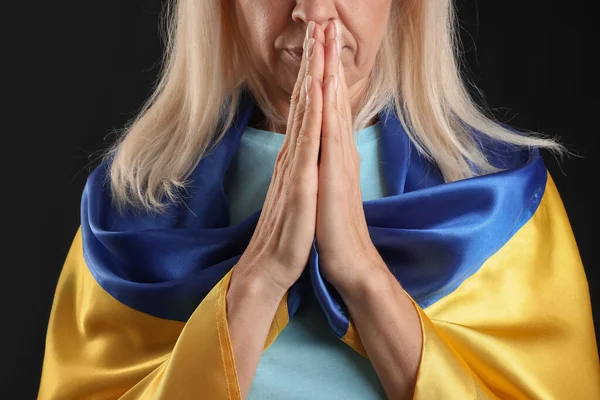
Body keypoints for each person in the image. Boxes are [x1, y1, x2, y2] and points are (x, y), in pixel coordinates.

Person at [39, 1, 600, 399]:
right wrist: (260, 278)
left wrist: (360, 272)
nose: (313, 11)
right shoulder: (134, 207)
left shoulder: (498, 198)